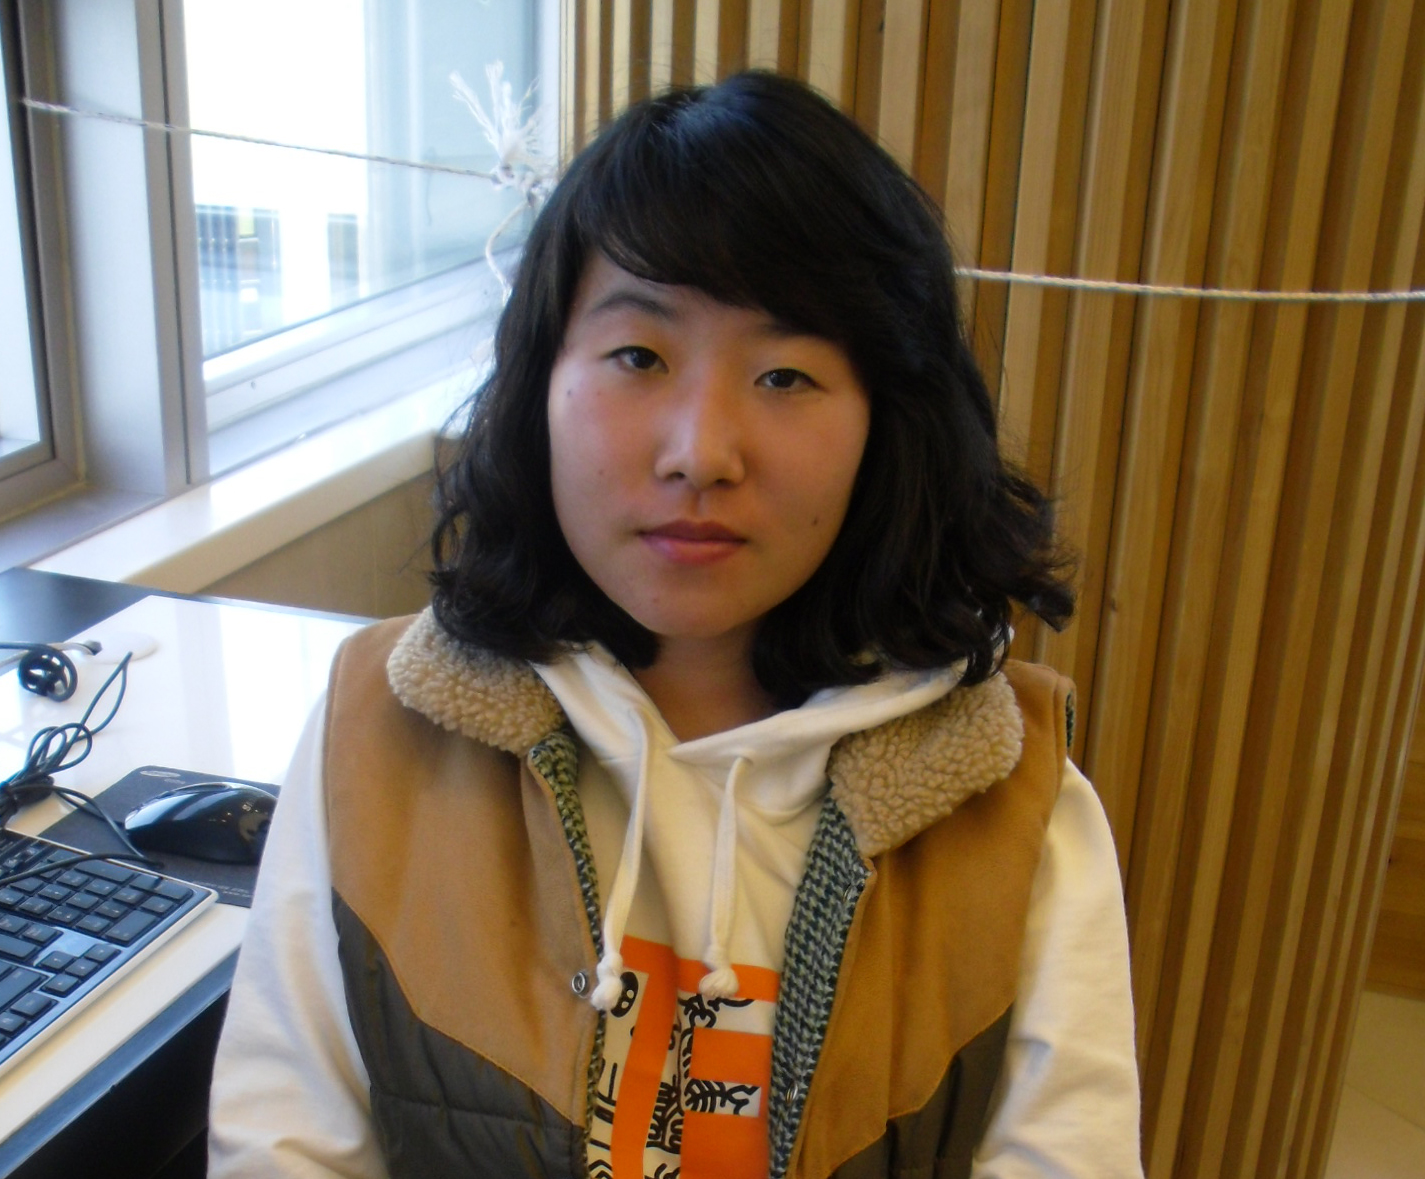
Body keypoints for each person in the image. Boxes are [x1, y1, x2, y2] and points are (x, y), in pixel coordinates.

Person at [207, 70, 1142, 1179]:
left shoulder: (1013, 806)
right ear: (541, 378)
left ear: (886, 425)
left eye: (786, 374)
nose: (701, 451)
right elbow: (284, 1148)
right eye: (639, 357)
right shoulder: (377, 733)